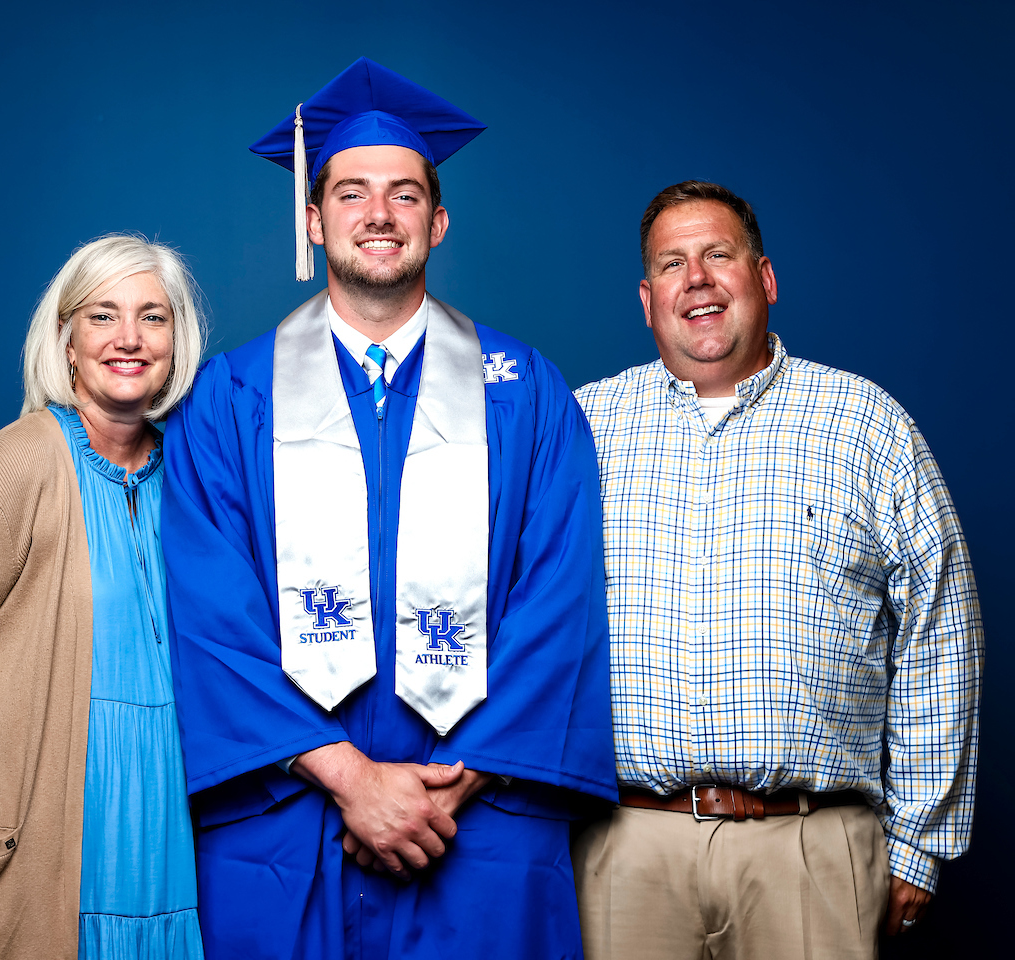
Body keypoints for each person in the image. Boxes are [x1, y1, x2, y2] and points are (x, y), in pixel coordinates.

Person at [162, 58, 617, 960]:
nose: (379, 213)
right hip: (292, 823)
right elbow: (210, 613)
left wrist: (453, 786)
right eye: (353, 191)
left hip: (475, 825)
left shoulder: (524, 394)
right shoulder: (230, 398)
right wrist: (346, 778)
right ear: (312, 217)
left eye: (405, 194)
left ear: (438, 222)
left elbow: (559, 603)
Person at [572, 180, 984, 960]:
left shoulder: (867, 424)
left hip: (809, 848)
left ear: (764, 279)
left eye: (718, 255)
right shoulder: (584, 425)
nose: (696, 278)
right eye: (672, 263)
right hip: (626, 847)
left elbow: (943, 628)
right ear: (646, 297)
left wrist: (919, 842)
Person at [0, 234, 207, 960]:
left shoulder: (194, 478)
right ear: (66, 342)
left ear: (178, 342)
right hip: (37, 847)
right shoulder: (18, 466)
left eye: (153, 317)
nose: (128, 338)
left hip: (163, 840)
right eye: (102, 316)